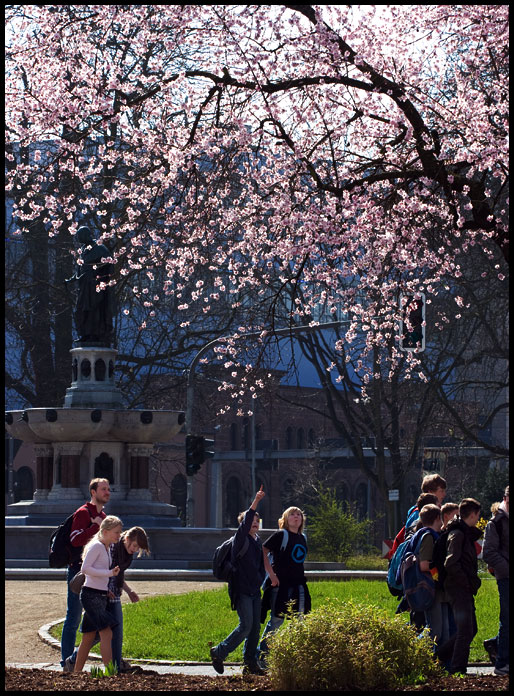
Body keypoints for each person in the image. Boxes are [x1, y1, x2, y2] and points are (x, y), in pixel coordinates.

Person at [63, 526, 150, 674]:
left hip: (110, 594)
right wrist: (106, 588)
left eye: (138, 548)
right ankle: (112, 669)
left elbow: (117, 574)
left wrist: (129, 591)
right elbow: (102, 570)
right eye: (135, 546)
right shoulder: (112, 547)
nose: (135, 550)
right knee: (107, 632)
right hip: (99, 594)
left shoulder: (125, 553)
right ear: (127, 539)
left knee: (96, 633)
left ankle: (75, 663)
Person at [210, 487, 266, 676]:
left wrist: (260, 579)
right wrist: (256, 501)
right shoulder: (240, 540)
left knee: (255, 628)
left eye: (257, 521)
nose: (254, 523)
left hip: (254, 589)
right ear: (244, 524)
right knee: (246, 626)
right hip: (241, 590)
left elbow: (260, 565)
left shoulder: (258, 541)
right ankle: (219, 652)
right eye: (251, 521)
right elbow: (247, 521)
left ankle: (250, 662)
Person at [61, 478, 110, 670]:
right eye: (103, 489)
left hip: (96, 575)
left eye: (108, 489)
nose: (107, 492)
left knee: (96, 621)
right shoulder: (83, 513)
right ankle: (65, 661)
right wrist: (95, 526)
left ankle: (73, 658)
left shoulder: (103, 515)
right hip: (79, 572)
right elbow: (75, 540)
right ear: (93, 492)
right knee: (73, 617)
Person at [257, 506, 311, 664]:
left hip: (299, 585)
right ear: (286, 519)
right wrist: (271, 574)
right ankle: (263, 656)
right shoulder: (281, 535)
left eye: (299, 514)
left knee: (300, 619)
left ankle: (295, 655)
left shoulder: (303, 538)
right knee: (276, 620)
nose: (296, 517)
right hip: (281, 586)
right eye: (292, 514)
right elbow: (263, 550)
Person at [436, 498, 482, 675]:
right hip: (458, 589)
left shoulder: (463, 533)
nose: (479, 518)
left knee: (471, 629)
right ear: (472, 514)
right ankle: (457, 669)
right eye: (478, 514)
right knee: (465, 631)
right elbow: (451, 563)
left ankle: (437, 658)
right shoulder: (458, 534)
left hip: (463, 588)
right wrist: (466, 581)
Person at [73, 515, 122, 673]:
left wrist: (105, 589)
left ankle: (76, 673)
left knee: (88, 637)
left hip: (98, 595)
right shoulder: (97, 547)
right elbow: (85, 569)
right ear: (106, 532)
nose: (119, 535)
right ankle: (110, 673)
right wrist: (109, 574)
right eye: (116, 532)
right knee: (106, 633)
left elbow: (95, 573)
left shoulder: (106, 548)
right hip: (91, 596)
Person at [66, 226, 114, 344]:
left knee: (94, 309)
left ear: (86, 235)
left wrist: (98, 276)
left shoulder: (100, 248)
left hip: (95, 286)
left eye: (79, 236)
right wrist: (71, 280)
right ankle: (85, 334)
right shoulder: (83, 250)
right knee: (81, 310)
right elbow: (80, 269)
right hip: (84, 286)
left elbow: (110, 265)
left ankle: (96, 334)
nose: (78, 239)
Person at [416, 504, 453, 656]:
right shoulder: (428, 537)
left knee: (443, 631)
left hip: (437, 589)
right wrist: (439, 569)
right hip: (431, 589)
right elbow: (424, 565)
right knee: (435, 630)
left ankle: (439, 665)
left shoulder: (431, 534)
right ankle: (412, 652)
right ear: (438, 518)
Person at [482, 485, 509, 676]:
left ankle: (495, 645)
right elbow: (489, 553)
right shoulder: (496, 523)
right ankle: (502, 663)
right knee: (507, 620)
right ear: (506, 499)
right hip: (506, 577)